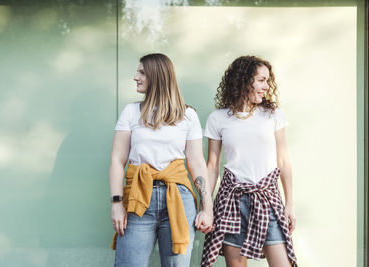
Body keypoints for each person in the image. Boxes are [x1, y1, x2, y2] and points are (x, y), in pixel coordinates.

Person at [109, 53, 214, 267]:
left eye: (141, 72)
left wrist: (207, 208)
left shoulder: (188, 115)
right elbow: (117, 161)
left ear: (156, 77)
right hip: (139, 199)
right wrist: (117, 203)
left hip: (179, 197)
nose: (135, 77)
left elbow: (196, 163)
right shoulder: (131, 112)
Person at [201, 56, 297, 267]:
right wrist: (206, 206)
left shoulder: (273, 115)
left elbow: (283, 160)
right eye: (261, 80)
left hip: (268, 199)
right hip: (231, 201)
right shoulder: (217, 118)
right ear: (244, 80)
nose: (266, 86)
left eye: (267, 81)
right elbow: (212, 167)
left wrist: (289, 204)